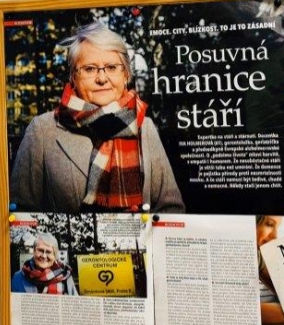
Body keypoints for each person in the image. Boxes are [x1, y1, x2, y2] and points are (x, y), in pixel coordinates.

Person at [10, 22, 184, 213]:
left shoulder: (145, 126)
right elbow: (20, 214)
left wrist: (140, 228)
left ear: (125, 75)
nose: (102, 78)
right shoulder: (42, 130)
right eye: (90, 69)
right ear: (73, 77)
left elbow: (171, 209)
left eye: (111, 67)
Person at [10, 232, 77, 295]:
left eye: (48, 252)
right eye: (40, 250)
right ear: (34, 251)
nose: (44, 256)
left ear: (55, 255)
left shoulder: (65, 276)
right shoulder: (18, 277)